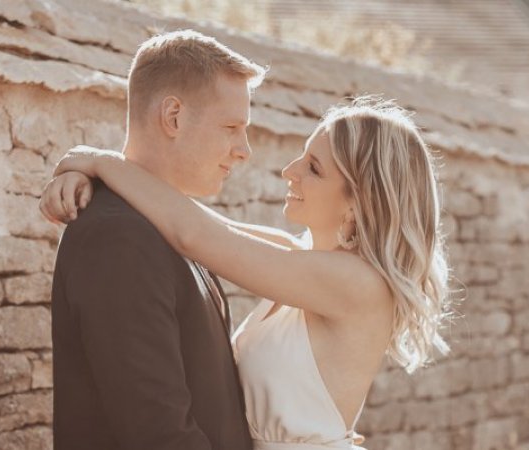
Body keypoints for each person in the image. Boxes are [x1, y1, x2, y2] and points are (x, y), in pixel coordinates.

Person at [41, 94, 453, 449]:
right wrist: (93, 177)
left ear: (358, 204)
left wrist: (97, 159)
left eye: (313, 167)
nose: (289, 171)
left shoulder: (355, 284)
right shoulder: (298, 258)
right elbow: (193, 218)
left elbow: (192, 234)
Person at [45, 29, 265, 450]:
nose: (244, 150)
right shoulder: (118, 238)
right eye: (232, 127)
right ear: (174, 117)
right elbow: (159, 434)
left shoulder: (172, 226)